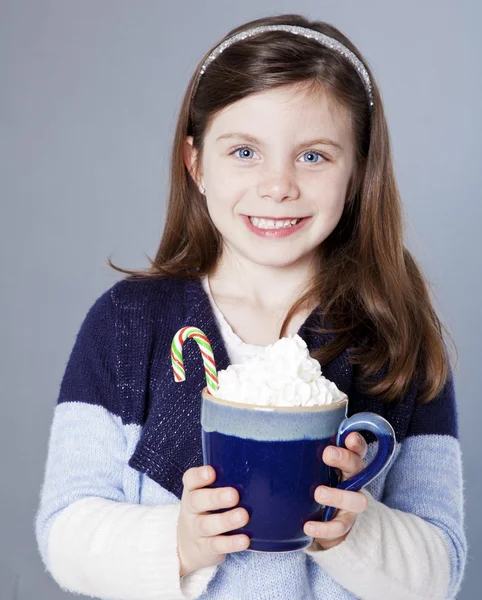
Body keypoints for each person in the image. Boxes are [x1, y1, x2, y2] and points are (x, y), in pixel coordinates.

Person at [34, 13, 467, 600]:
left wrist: (354, 535)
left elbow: (440, 570)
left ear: (358, 171)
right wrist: (181, 543)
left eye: (313, 156)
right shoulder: (129, 322)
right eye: (244, 151)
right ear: (196, 164)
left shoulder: (394, 333)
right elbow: (65, 530)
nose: (278, 184)